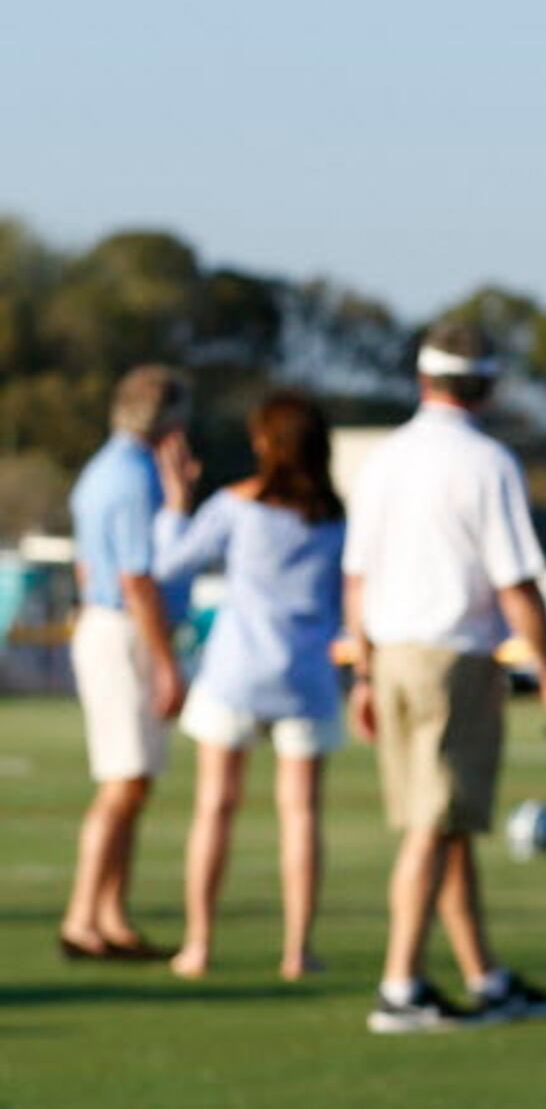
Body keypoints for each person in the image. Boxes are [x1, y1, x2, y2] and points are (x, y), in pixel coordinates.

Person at [344, 319, 546, 1033]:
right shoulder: (488, 461)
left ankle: (486, 977)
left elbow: (356, 577)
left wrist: (361, 671)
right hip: (453, 659)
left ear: (423, 379)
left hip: (390, 655)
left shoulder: (383, 459)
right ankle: (401, 987)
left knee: (447, 827)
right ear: (489, 384)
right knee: (432, 828)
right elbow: (516, 583)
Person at [150, 391, 349, 979]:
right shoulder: (336, 517)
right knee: (302, 815)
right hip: (307, 678)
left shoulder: (237, 506)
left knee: (214, 808)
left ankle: (199, 944)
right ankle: (297, 950)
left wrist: (175, 507)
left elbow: (169, 565)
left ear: (267, 443)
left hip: (235, 675)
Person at [59, 366, 194, 962]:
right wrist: (166, 663)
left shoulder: (102, 469)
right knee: (121, 783)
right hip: (125, 633)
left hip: (107, 625)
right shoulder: (134, 476)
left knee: (132, 783)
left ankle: (110, 916)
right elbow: (136, 578)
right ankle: (83, 918)